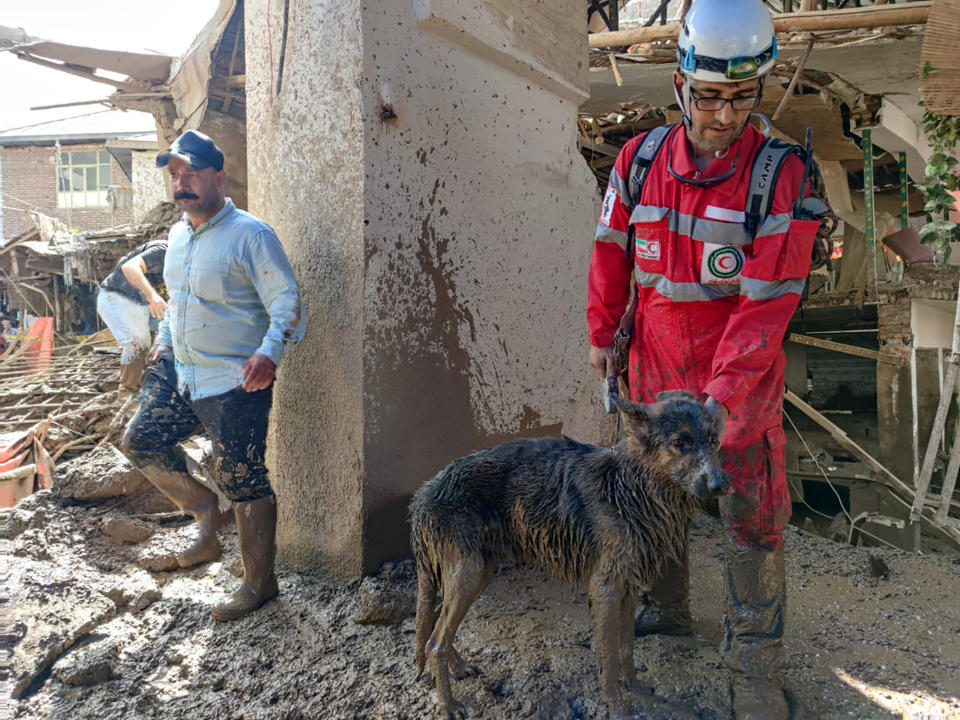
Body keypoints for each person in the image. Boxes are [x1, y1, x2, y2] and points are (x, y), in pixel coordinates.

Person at [586, 1, 829, 717]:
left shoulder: (778, 175)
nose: (726, 116)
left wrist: (722, 397)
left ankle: (755, 666)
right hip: (657, 383)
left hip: (740, 391)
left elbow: (766, 304)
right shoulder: (639, 162)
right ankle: (670, 611)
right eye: (712, 97)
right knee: (656, 503)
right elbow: (611, 257)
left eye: (743, 98)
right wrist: (603, 335)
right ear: (681, 83)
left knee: (753, 520)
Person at [120, 130, 305, 622]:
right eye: (175, 175)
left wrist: (269, 353)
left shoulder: (251, 235)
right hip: (181, 371)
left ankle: (259, 584)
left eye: (192, 174)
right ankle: (206, 515)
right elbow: (179, 298)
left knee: (243, 477)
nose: (182, 184)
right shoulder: (178, 236)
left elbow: (285, 299)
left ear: (218, 177)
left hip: (234, 380)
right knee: (141, 440)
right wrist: (163, 343)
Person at [97, 239, 168, 393]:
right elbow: (129, 267)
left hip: (138, 303)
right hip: (117, 297)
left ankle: (137, 376)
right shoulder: (164, 250)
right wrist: (151, 295)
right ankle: (127, 393)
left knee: (153, 336)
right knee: (137, 344)